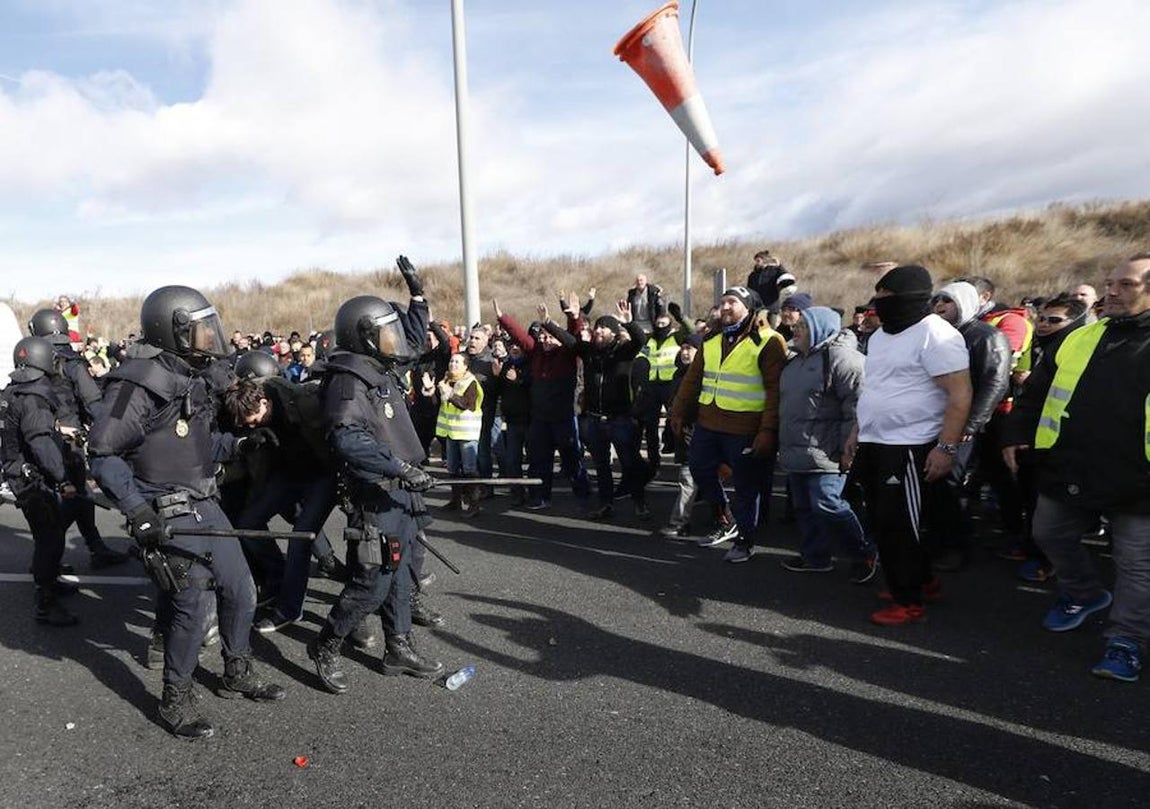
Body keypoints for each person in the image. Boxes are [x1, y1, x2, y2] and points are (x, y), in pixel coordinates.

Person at [87, 285, 285, 740]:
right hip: (165, 508)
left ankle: (237, 669)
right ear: (172, 330)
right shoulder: (135, 384)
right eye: (200, 330)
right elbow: (103, 453)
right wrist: (137, 510)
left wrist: (238, 444)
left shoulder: (193, 378)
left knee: (241, 589)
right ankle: (176, 694)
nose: (210, 338)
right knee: (192, 604)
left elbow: (192, 448)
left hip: (205, 501)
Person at [1002, 252, 1150, 682]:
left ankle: (1126, 642)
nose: (1112, 291)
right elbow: (1038, 391)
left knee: (1137, 565)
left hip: (1140, 479)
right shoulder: (1081, 336)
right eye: (1110, 282)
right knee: (1048, 533)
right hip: (1071, 465)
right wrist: (1016, 432)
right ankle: (1084, 594)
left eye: (1126, 284)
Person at [306, 257, 444, 695]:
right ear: (366, 338)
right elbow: (347, 439)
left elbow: (417, 339)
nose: (395, 340)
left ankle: (398, 647)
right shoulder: (348, 381)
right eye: (386, 333)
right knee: (373, 581)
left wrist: (417, 297)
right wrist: (401, 468)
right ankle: (326, 643)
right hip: (375, 496)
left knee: (402, 577)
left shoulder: (382, 368)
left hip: (400, 493)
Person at [844, 265, 971, 625]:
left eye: (887, 299)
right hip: (875, 442)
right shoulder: (881, 336)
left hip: (910, 446)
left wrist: (946, 448)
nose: (879, 306)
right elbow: (875, 388)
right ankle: (921, 580)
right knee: (881, 521)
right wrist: (857, 431)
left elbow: (960, 394)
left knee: (901, 525)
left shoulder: (936, 334)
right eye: (877, 298)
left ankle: (908, 600)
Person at [669, 286, 787, 563]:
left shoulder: (769, 341)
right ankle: (725, 519)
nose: (725, 307)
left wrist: (768, 430)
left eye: (732, 302)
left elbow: (775, 391)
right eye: (722, 303)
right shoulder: (710, 341)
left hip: (745, 428)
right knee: (699, 469)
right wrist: (678, 412)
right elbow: (691, 381)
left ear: (749, 308)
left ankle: (746, 539)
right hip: (708, 424)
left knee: (747, 487)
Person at [223, 377, 347, 634]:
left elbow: (336, 433)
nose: (251, 424)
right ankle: (278, 581)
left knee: (300, 538)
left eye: (254, 419)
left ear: (265, 402)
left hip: (321, 476)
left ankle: (290, 609)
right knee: (248, 523)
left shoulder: (302, 402)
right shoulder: (253, 412)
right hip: (287, 474)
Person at [26, 309, 131, 568]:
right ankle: (46, 560)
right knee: (71, 501)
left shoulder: (32, 362)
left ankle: (92, 548)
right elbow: (93, 402)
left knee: (78, 497)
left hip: (40, 439)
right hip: (68, 443)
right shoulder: (72, 362)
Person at [777, 307, 876, 582]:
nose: (796, 330)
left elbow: (857, 406)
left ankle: (863, 553)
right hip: (796, 449)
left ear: (820, 328)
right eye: (796, 327)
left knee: (828, 504)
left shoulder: (843, 359)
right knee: (804, 508)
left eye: (803, 327)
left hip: (828, 450)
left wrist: (848, 448)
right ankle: (815, 557)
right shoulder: (795, 361)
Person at [928, 282, 1012, 570]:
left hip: (963, 426)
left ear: (964, 303)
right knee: (935, 483)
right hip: (936, 420)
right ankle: (939, 539)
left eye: (947, 301)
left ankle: (955, 547)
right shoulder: (939, 337)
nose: (939, 306)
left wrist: (971, 424)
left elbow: (995, 383)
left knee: (951, 482)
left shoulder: (986, 335)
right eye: (937, 300)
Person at [0, 337, 82, 626]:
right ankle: (45, 601)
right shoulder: (34, 398)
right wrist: (62, 479)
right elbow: (40, 443)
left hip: (19, 473)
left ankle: (49, 580)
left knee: (47, 531)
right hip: (33, 479)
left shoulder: (14, 390)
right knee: (51, 537)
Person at [497, 298, 590, 511]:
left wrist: (570, 318)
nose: (546, 340)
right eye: (543, 337)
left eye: (550, 337)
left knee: (571, 459)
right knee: (540, 461)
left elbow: (572, 339)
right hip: (540, 419)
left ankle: (582, 492)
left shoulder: (567, 355)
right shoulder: (537, 353)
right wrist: (504, 318)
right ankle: (541, 496)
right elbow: (521, 337)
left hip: (563, 418)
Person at [576, 302, 651, 520]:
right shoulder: (590, 353)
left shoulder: (623, 353)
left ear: (613, 332)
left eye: (603, 327)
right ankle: (605, 504)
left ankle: (640, 502)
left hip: (620, 420)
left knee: (629, 463)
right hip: (595, 419)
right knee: (601, 465)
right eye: (596, 327)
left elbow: (639, 340)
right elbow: (569, 340)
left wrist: (629, 322)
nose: (598, 330)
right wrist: (549, 323)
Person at [436, 353, 484, 518]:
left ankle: (474, 504)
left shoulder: (470, 382)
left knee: (470, 469)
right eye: (451, 361)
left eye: (457, 362)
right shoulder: (447, 380)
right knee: (453, 469)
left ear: (465, 366)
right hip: (451, 432)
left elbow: (466, 404)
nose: (453, 364)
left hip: (466, 433)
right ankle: (455, 500)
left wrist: (449, 394)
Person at [746, 250, 797, 326]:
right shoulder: (752, 275)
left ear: (764, 260)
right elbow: (749, 290)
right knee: (760, 330)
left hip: (772, 308)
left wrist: (779, 266)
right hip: (758, 308)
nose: (756, 263)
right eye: (755, 261)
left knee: (772, 329)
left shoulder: (774, 270)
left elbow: (786, 278)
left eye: (758, 260)